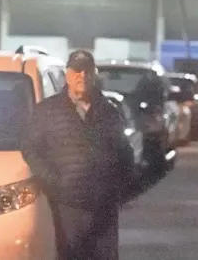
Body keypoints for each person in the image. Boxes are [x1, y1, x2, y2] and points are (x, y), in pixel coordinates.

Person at [21, 50, 138, 260]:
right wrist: (54, 183)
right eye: (77, 71)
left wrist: (118, 191)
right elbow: (30, 149)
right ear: (67, 74)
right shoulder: (48, 111)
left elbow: (125, 154)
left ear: (94, 74)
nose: (82, 76)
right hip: (67, 207)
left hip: (104, 208)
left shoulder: (109, 111)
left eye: (87, 71)